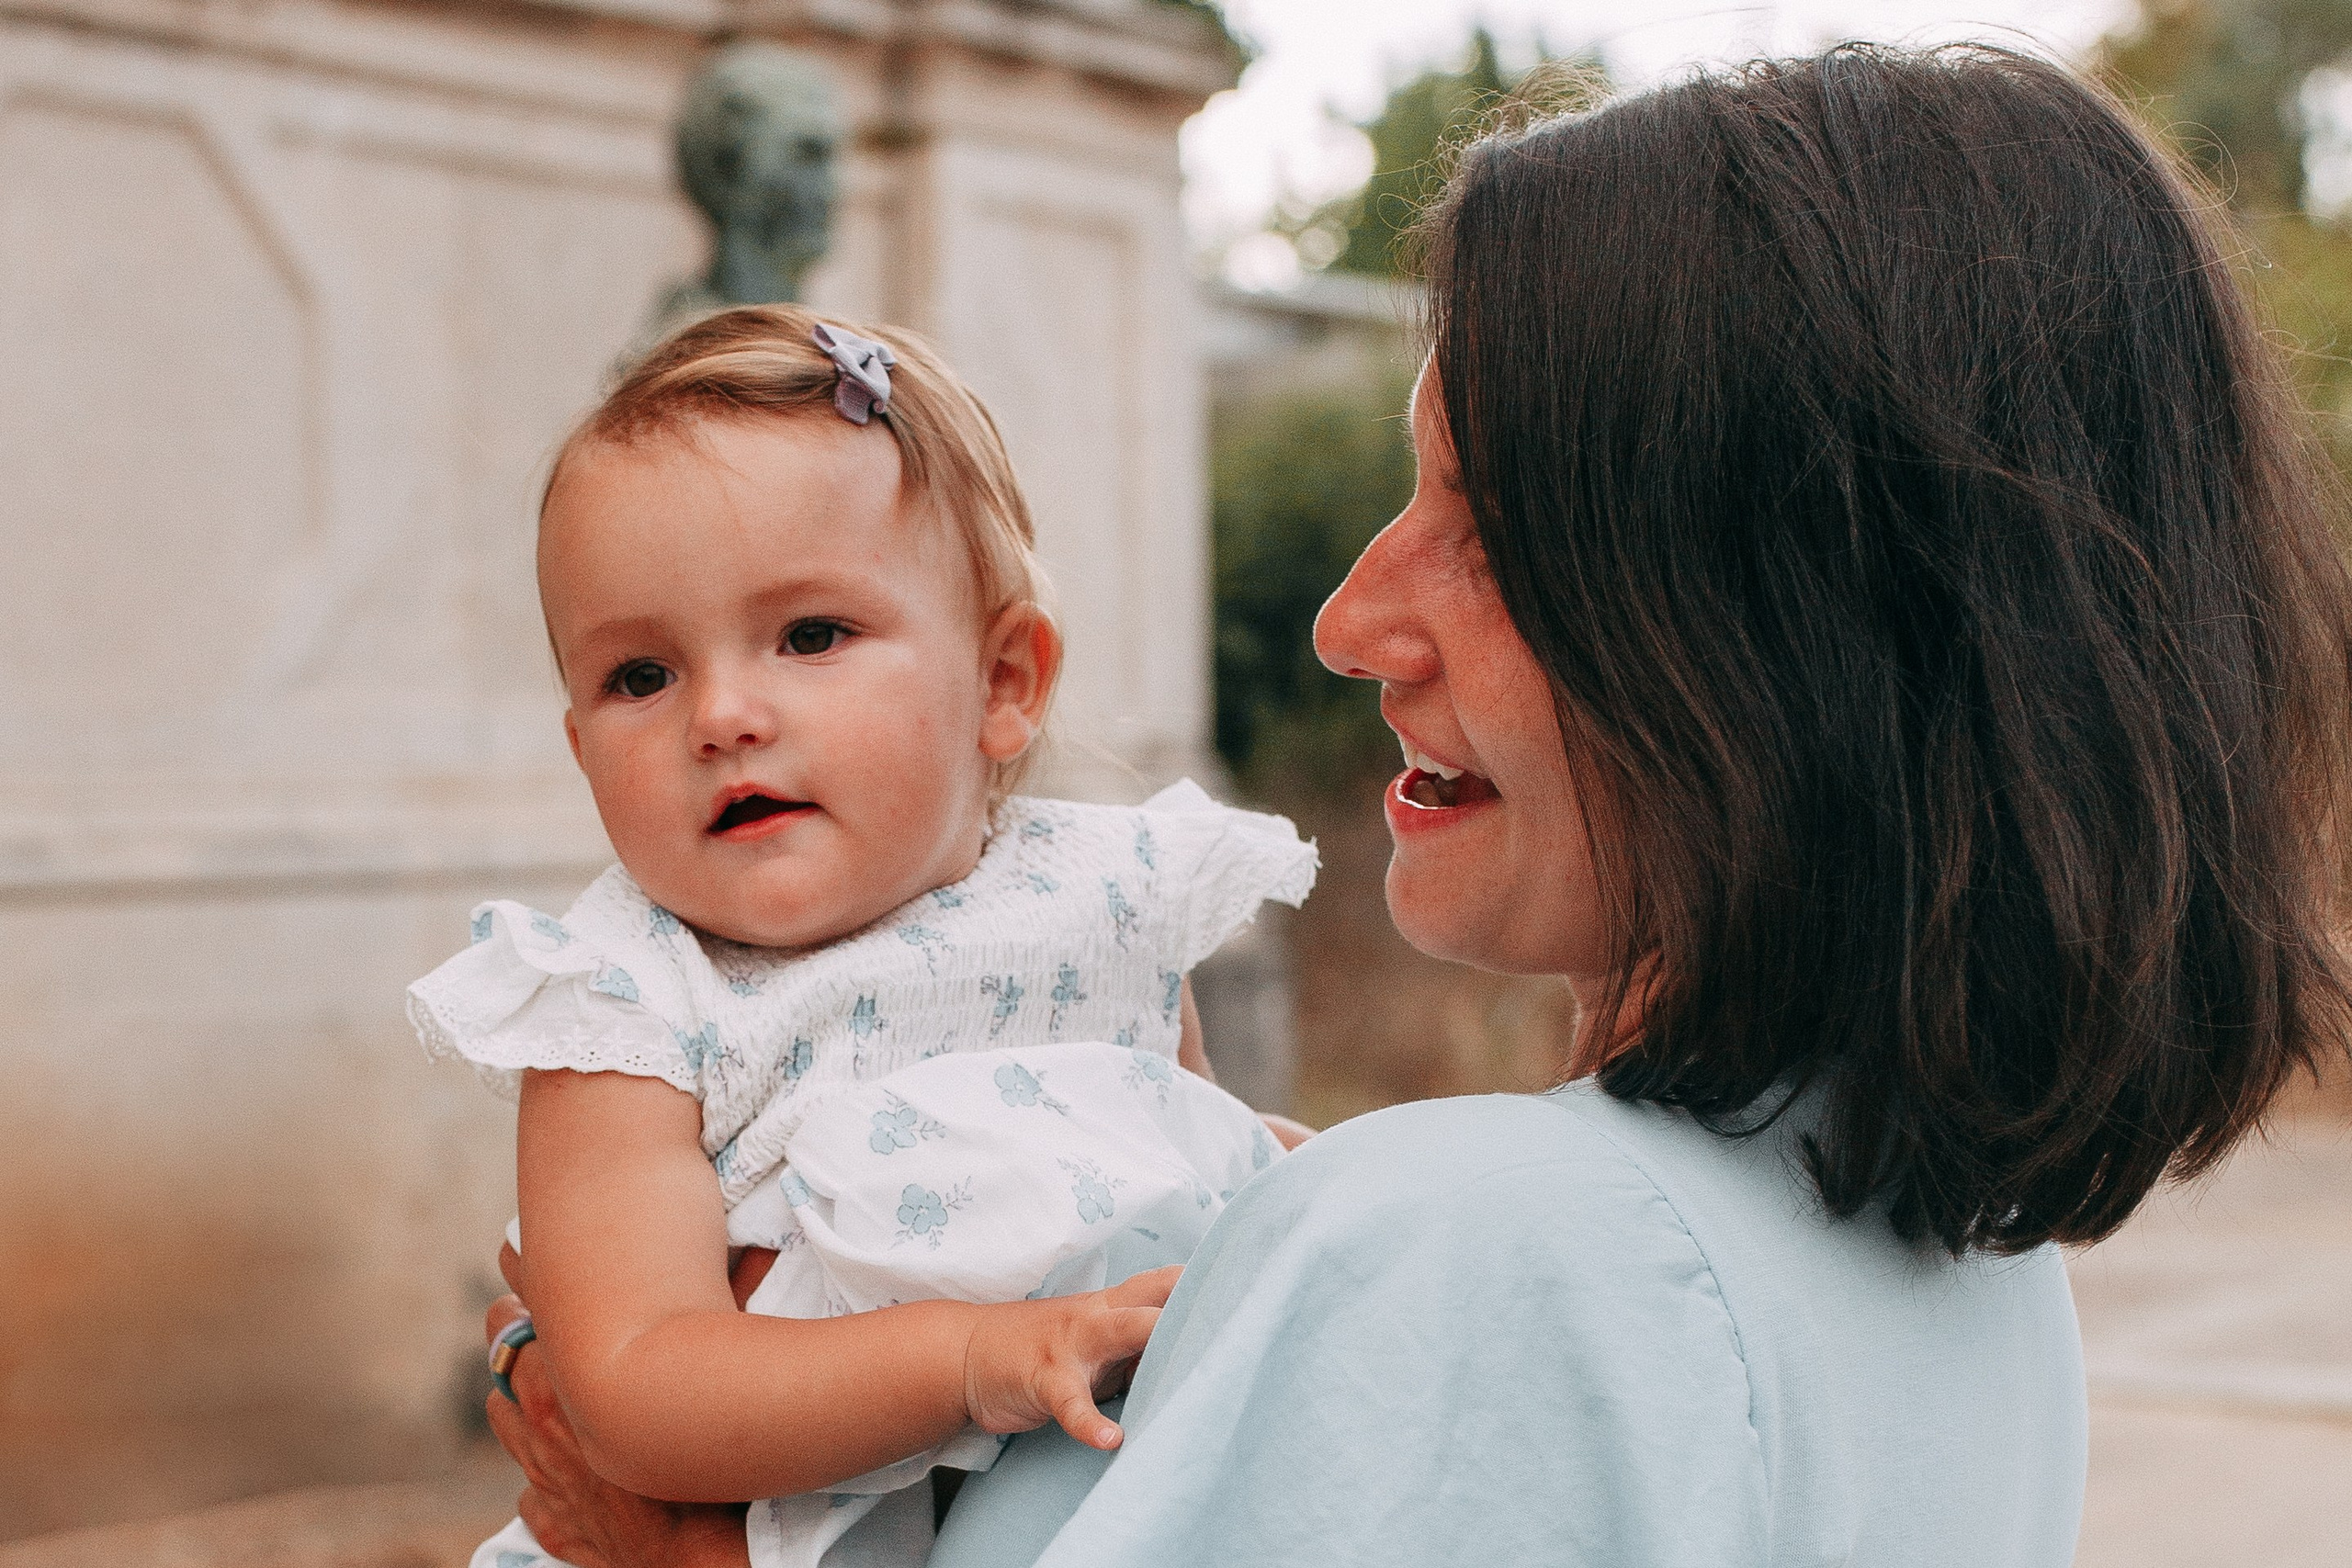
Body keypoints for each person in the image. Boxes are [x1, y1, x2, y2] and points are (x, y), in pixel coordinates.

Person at [486, 44, 2352, 1566]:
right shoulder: (1974, 1267)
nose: (1349, 617)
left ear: (1784, 620)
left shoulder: (1467, 1248)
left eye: (1485, 526)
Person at [407, 304, 1317, 1568]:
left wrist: (1345, 1189)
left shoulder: (1107, 898)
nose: (721, 715)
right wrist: (970, 1359)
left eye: (811, 636)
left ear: (1003, 682)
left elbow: (1203, 1156)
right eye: (640, 676)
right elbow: (632, 1386)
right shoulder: (625, 1004)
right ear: (579, 746)